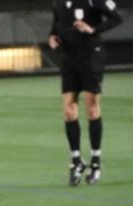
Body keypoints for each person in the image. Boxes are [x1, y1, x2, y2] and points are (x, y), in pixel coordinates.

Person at [49, 0, 122, 186]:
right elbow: (56, 24)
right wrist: (52, 36)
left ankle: (96, 162)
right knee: (68, 112)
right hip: (69, 58)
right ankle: (76, 161)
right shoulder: (57, 2)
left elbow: (116, 18)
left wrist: (93, 30)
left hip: (91, 55)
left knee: (91, 109)